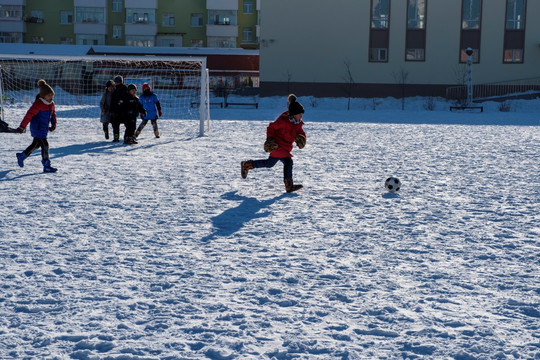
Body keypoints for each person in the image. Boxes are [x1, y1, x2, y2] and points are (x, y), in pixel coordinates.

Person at [240, 94, 306, 193]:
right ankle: (289, 186)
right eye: (299, 114)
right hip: (277, 146)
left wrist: (302, 138)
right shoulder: (283, 121)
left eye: (301, 114)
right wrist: (270, 139)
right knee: (287, 162)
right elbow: (271, 127)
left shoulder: (298, 123)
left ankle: (247, 164)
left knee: (270, 163)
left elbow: (300, 132)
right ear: (293, 114)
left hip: (286, 147)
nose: (301, 116)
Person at [15, 79, 58, 173]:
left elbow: (53, 114)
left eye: (52, 95)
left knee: (36, 144)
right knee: (45, 145)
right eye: (49, 95)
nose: (51, 97)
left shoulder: (51, 104)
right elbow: (29, 115)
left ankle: (22, 156)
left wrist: (54, 123)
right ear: (43, 95)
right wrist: (22, 127)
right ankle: (46, 165)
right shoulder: (38, 104)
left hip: (44, 128)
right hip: (37, 128)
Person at [109, 75, 128, 143]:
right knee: (115, 125)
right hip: (115, 111)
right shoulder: (114, 89)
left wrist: (122, 102)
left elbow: (127, 98)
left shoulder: (125, 89)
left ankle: (127, 137)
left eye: (117, 82)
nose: (116, 83)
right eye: (115, 82)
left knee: (128, 124)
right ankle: (116, 138)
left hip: (123, 111)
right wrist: (111, 110)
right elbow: (112, 100)